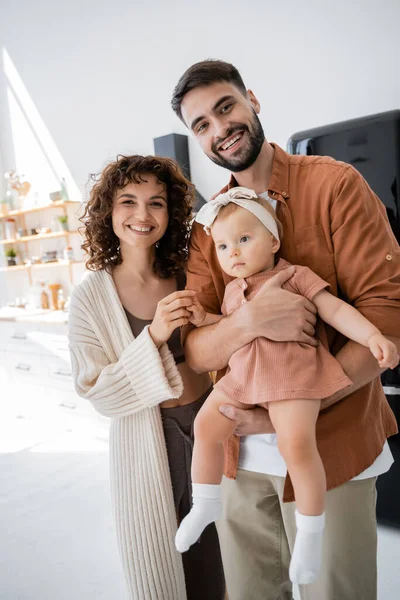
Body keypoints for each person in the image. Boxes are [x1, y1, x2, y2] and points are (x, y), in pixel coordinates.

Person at [171, 59, 400, 600]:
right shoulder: (210, 227)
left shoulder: (336, 185)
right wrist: (250, 320)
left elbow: (387, 311)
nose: (219, 128)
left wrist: (291, 403)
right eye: (200, 124)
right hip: (239, 462)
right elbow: (198, 350)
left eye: (225, 107)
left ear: (252, 98)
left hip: (335, 447)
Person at [67, 155, 225, 600]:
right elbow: (99, 392)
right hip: (151, 442)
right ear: (108, 212)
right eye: (128, 201)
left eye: (156, 203)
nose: (142, 215)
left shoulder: (188, 272)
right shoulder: (89, 299)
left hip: (216, 423)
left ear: (171, 212)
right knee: (172, 561)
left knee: (230, 549)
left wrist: (209, 320)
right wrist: (154, 335)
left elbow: (230, 337)